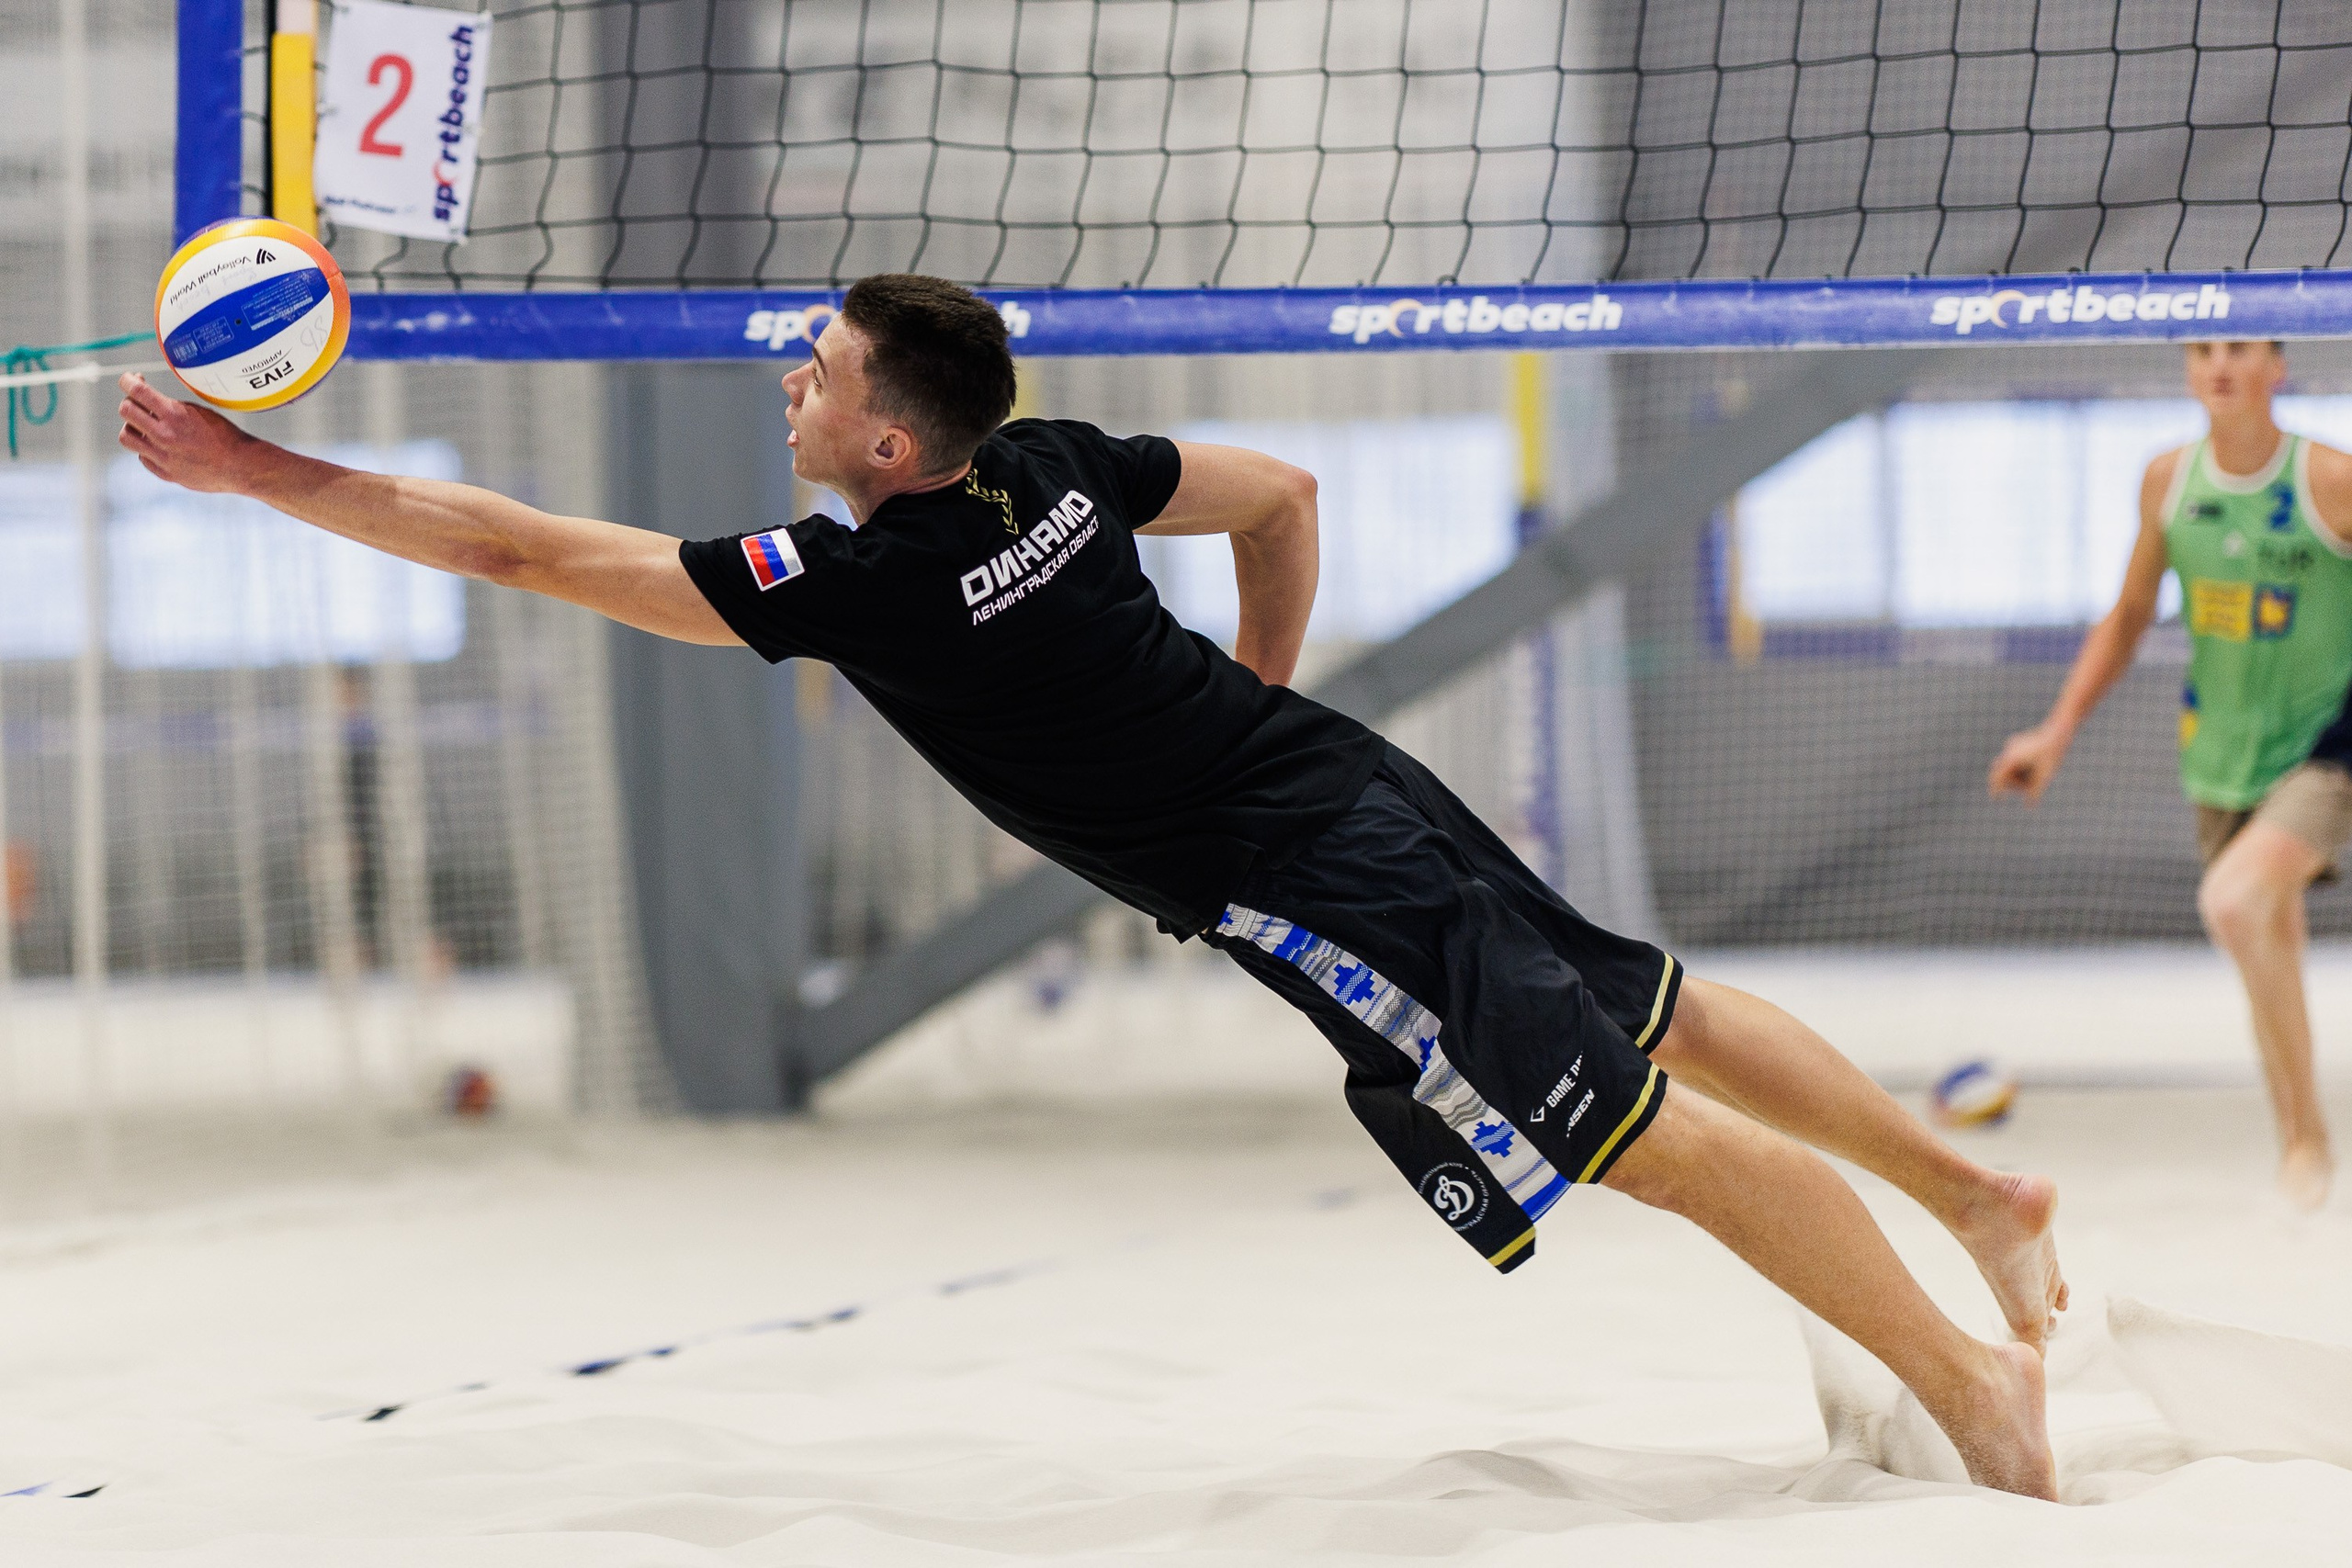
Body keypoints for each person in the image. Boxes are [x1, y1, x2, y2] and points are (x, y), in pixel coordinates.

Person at [118, 274, 2065, 1497]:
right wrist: (1261, 701)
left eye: (811, 375)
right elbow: (1283, 501)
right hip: (1331, 779)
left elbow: (523, 551)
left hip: (1300, 866)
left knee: (1633, 1125)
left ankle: (1975, 1383)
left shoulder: (857, 582)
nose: (786, 391)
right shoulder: (1046, 465)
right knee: (1660, 1004)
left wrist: (264, 477)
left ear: (886, 440)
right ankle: (1979, 1193)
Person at [1993, 340, 2352, 1212]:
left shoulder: (2332, 480)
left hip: (2328, 742)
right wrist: (2056, 728)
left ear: (2279, 366)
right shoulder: (2166, 481)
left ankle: (2305, 1141)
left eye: (2240, 349)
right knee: (2268, 937)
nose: (2219, 365)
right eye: (2201, 350)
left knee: (2233, 903)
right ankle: (2300, 1135)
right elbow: (2125, 619)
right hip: (2223, 753)